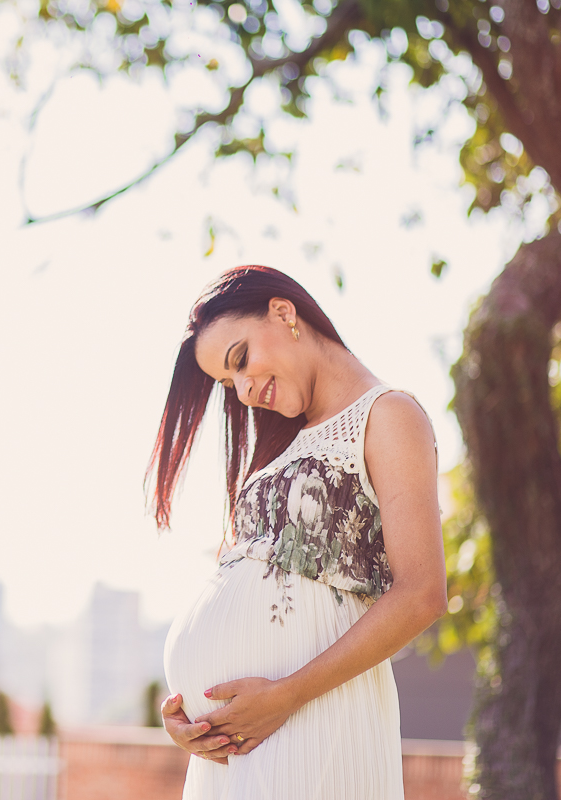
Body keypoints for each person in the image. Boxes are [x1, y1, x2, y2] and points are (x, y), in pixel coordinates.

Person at [148, 265, 446, 799]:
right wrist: (189, 713)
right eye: (228, 383)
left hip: (313, 724)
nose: (242, 391)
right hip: (234, 748)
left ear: (284, 313)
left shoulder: (388, 416)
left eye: (240, 360)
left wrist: (285, 696)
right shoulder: (277, 452)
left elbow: (422, 594)